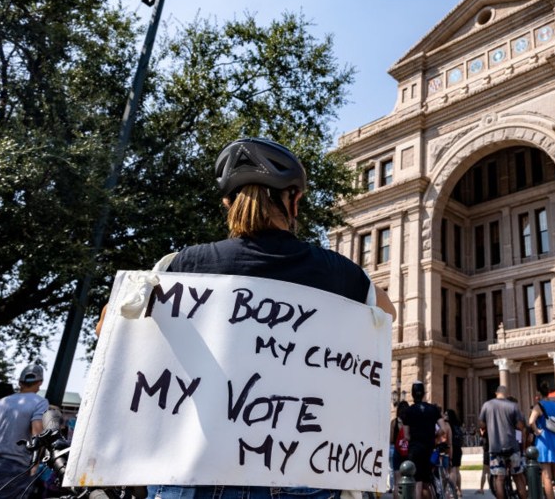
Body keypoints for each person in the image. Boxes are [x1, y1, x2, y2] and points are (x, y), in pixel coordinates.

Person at [145, 138, 396, 499]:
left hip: (192, 473)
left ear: (228, 204)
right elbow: (386, 315)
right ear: (294, 200)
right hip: (298, 470)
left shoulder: (183, 265)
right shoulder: (339, 273)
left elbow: (116, 328)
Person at [0, 364, 50, 499]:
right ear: (40, 382)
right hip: (15, 468)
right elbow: (38, 433)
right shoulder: (40, 402)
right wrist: (35, 465)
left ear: (20, 382)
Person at [478, 385, 527, 499]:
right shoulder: (513, 406)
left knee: (499, 479)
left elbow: (481, 424)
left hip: (495, 447)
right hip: (512, 446)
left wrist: (489, 424)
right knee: (518, 477)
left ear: (496, 393)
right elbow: (520, 426)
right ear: (507, 394)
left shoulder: (487, 405)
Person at [403, 381, 445, 499]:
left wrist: (415, 439)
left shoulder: (409, 411)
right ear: (424, 394)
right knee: (426, 483)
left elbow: (406, 435)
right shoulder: (433, 409)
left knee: (417, 482)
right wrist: (434, 436)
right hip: (429, 449)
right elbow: (443, 429)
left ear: (412, 394)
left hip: (415, 449)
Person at [529, 382, 555, 499]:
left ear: (539, 394)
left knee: (547, 477)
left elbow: (531, 422)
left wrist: (536, 431)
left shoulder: (538, 406)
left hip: (543, 443)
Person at [391, 401, 410, 499]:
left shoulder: (394, 422)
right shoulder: (410, 421)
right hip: (408, 452)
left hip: (397, 451)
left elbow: (391, 439)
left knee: (397, 482)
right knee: (410, 480)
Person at [444, 409, 464, 498]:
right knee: (457, 470)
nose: (444, 416)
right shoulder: (457, 425)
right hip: (458, 448)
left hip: (451, 448)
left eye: (446, 415)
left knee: (452, 470)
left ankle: (452, 490)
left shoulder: (448, 425)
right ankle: (459, 490)